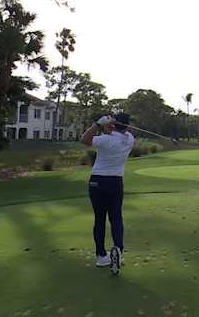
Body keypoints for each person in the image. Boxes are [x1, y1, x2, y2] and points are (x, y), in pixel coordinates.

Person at [80, 112, 135, 275]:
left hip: (97, 181)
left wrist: (98, 124)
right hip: (115, 182)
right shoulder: (130, 139)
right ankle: (118, 249)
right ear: (127, 126)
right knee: (116, 217)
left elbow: (84, 139)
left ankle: (101, 256)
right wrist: (110, 127)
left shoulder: (105, 140)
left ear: (113, 123)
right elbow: (116, 133)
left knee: (99, 219)